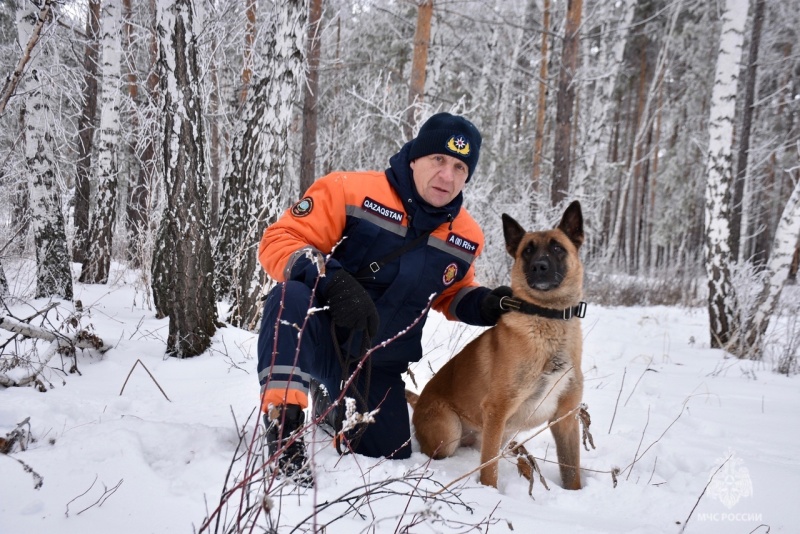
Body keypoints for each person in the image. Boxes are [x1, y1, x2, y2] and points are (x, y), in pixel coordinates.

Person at [256, 112, 512, 486]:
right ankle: (284, 429)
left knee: (390, 450)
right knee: (288, 297)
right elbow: (279, 242)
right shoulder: (350, 191)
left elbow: (452, 293)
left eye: (459, 167)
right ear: (414, 158)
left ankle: (330, 404)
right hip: (327, 338)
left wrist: (487, 303)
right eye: (438, 160)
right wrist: (332, 281)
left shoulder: (466, 235)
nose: (447, 175)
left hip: (378, 366)